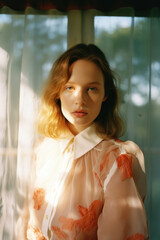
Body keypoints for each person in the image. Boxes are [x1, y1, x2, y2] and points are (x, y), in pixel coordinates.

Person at [17, 43, 149, 240]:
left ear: (105, 94)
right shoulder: (44, 149)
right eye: (69, 87)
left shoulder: (116, 158)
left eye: (92, 89)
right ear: (57, 92)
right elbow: (27, 221)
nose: (80, 100)